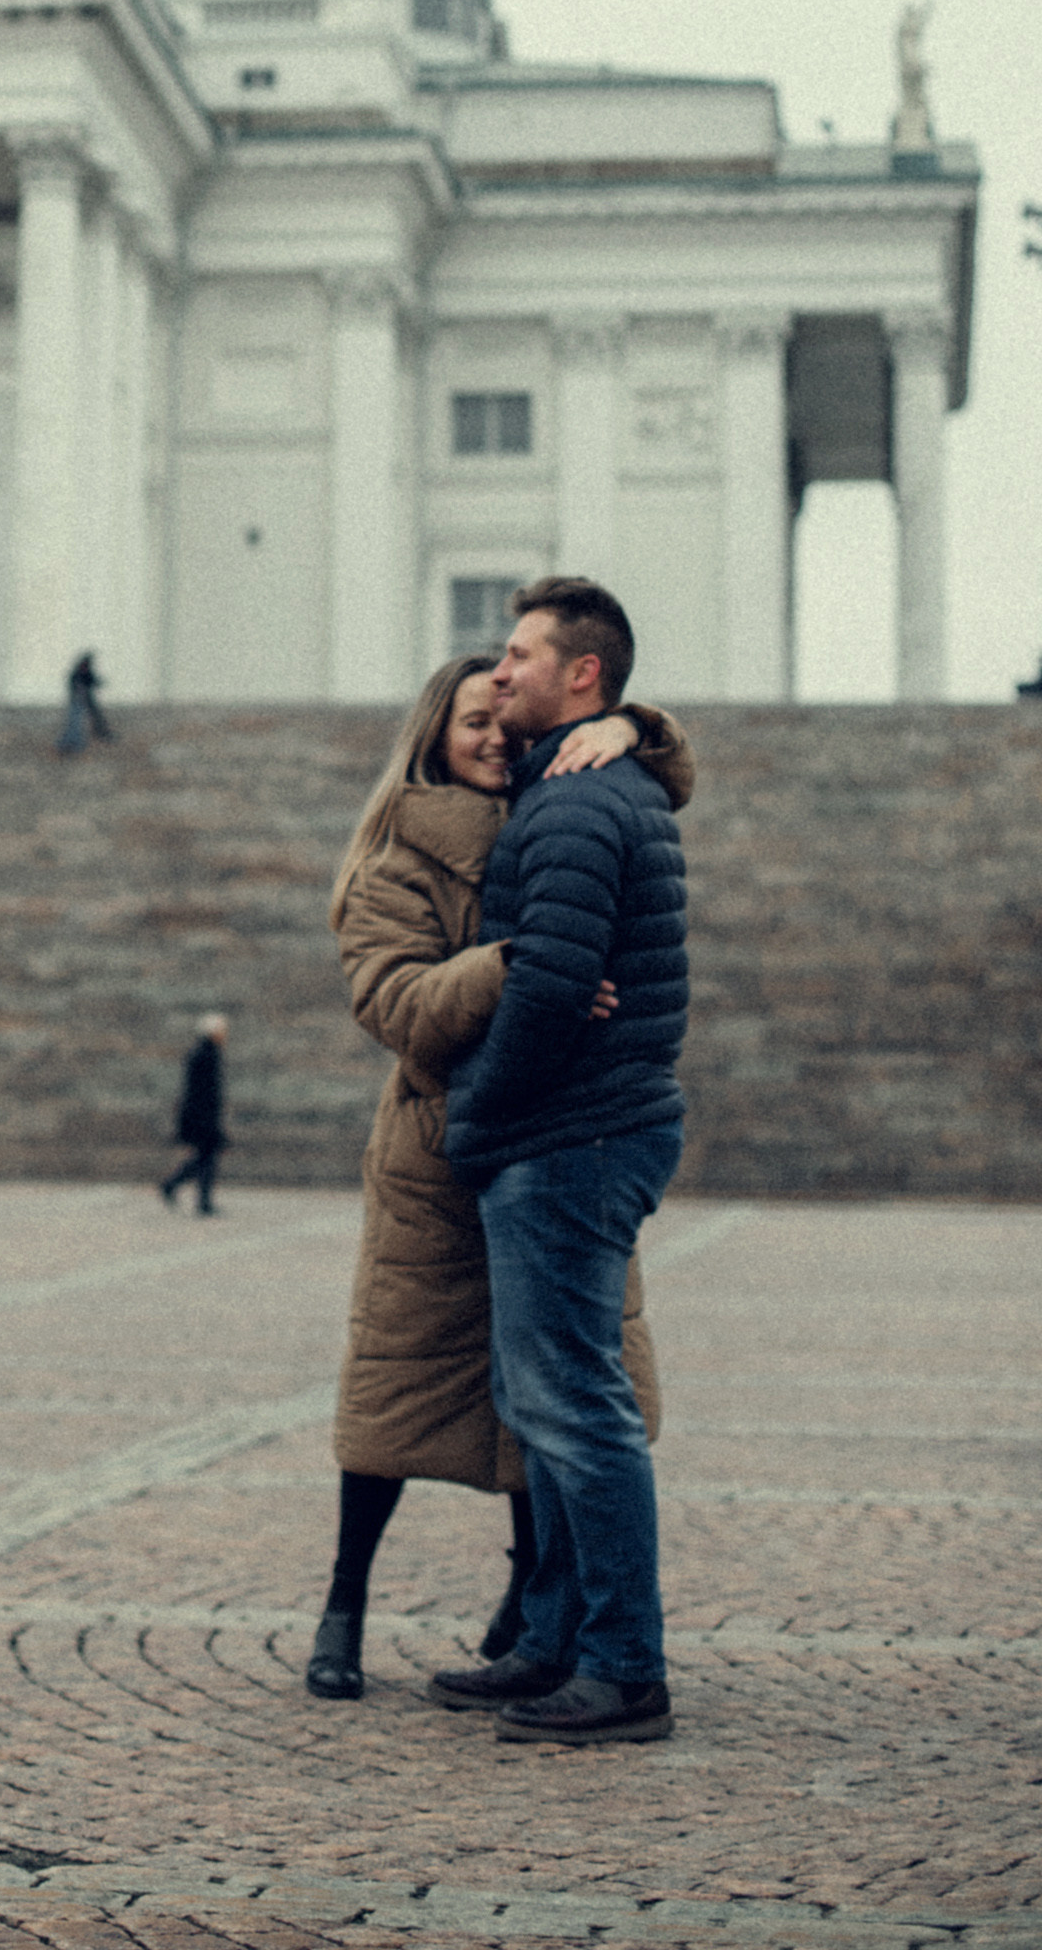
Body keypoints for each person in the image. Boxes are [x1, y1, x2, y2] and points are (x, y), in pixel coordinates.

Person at [307, 659, 689, 1704]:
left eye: (500, 717)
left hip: (549, 1130)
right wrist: (520, 965)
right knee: (397, 1387)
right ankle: (341, 1609)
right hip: (437, 1154)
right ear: (432, 733)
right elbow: (394, 1004)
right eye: (470, 720)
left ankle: (539, 1614)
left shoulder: (559, 794)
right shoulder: (391, 857)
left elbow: (662, 773)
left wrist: (632, 727)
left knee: (548, 1399)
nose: (490, 736)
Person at [429, 576, 689, 1746]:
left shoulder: (580, 805)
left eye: (521, 654)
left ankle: (623, 1666)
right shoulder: (574, 782)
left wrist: (477, 1115)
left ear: (582, 675)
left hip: (568, 1132)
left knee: (576, 1411)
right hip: (579, 1125)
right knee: (542, 1406)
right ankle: (551, 1644)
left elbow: (547, 986)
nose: (499, 671)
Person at [161, 1014, 227, 1213]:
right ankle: (199, 1200)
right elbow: (202, 1092)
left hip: (199, 1115)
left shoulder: (202, 1052)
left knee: (204, 1157)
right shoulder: (206, 1055)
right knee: (206, 1157)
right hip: (202, 1116)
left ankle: (175, 1186)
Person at [57, 651, 114, 755]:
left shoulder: (86, 672)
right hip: (77, 700)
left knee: (96, 718)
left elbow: (93, 681)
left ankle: (102, 734)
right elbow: (76, 686)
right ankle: (70, 744)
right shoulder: (77, 673)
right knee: (75, 722)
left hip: (86, 698)